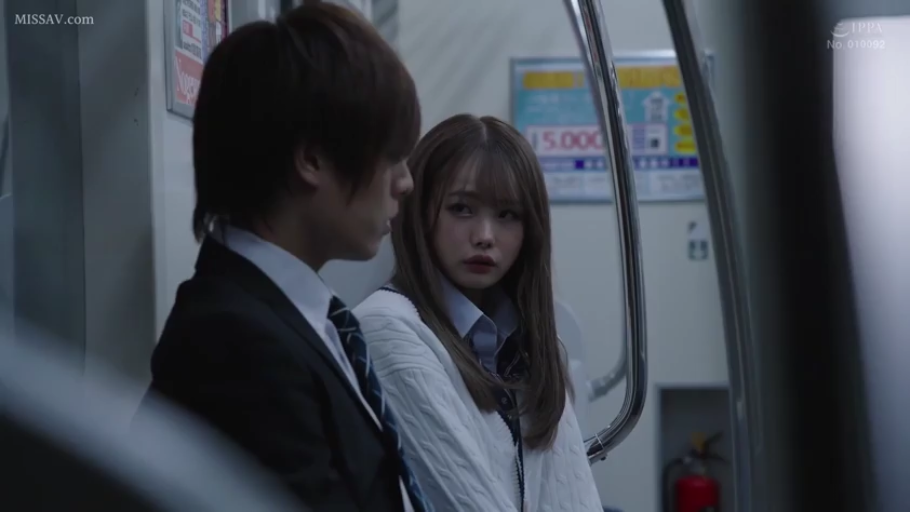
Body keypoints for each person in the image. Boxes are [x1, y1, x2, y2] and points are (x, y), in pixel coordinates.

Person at [138, 4, 429, 512]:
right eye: (391, 156)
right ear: (312, 159)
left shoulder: (302, 318)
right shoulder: (235, 343)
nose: (405, 182)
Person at [353, 114, 603, 512]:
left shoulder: (531, 346)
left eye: (507, 215)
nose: (485, 236)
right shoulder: (388, 327)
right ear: (420, 214)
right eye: (461, 208)